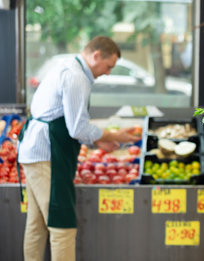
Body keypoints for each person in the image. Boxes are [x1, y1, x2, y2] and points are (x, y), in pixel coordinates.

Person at [18, 36, 141, 261]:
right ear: (96, 56)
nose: (108, 73)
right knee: (62, 225)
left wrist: (98, 140)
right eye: (108, 66)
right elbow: (77, 128)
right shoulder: (76, 77)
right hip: (47, 156)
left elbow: (68, 122)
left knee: (37, 225)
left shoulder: (66, 67)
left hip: (35, 152)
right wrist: (114, 135)